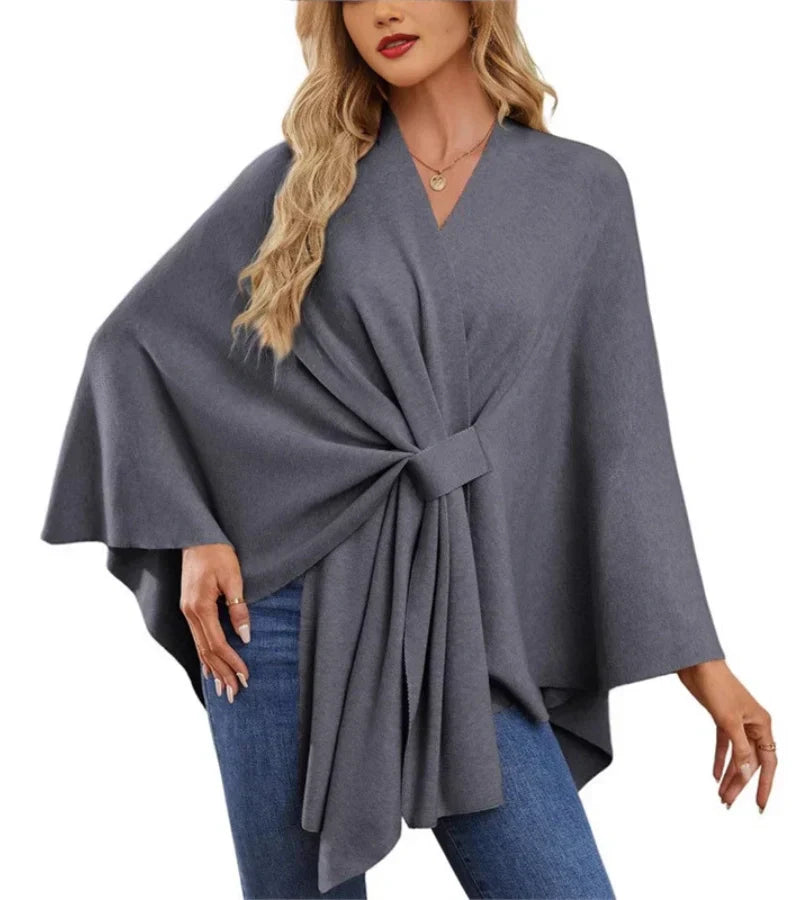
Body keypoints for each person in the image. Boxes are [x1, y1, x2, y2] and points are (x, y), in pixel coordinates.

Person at [41, 3, 777, 899]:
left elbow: (623, 441)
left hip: (466, 607)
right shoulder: (305, 179)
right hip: (276, 609)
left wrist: (706, 670)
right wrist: (191, 529)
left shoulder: (583, 191)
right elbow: (133, 349)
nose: (384, 9)